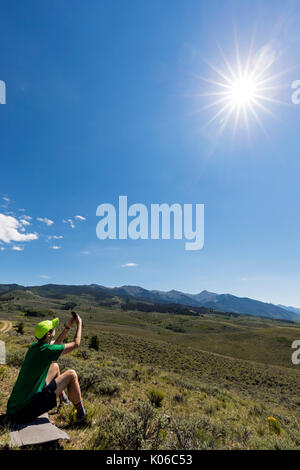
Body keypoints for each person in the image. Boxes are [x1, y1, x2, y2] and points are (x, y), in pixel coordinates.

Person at [7, 312, 86, 424]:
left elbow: (56, 344)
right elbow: (76, 344)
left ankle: (63, 398)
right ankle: (80, 414)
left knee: (54, 366)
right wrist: (79, 323)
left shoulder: (35, 347)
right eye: (53, 328)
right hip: (23, 413)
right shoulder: (47, 351)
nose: (54, 329)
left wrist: (68, 327)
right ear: (48, 335)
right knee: (72, 374)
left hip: (14, 409)